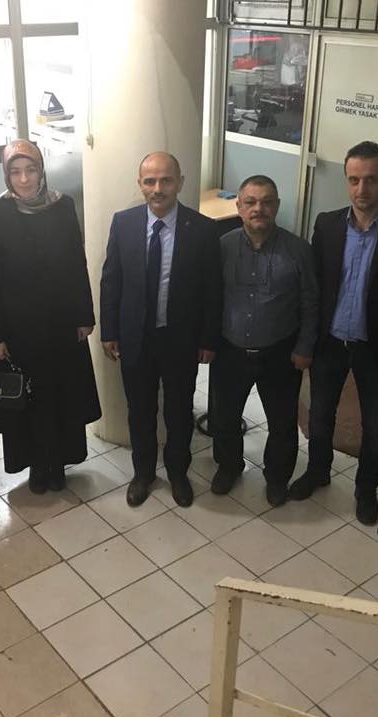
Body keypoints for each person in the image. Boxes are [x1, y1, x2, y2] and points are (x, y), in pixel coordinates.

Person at [290, 141, 378, 525]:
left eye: (371, 180)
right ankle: (318, 471)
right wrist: (307, 340)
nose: (361, 189)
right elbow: (314, 288)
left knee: (375, 427)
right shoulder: (327, 224)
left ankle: (366, 490)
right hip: (331, 342)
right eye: (353, 180)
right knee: (320, 416)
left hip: (374, 347)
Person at [0, 139, 101, 492]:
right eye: (15, 171)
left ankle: (58, 462)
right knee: (27, 399)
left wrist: (84, 315)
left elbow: (76, 262)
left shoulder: (62, 206)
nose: (24, 179)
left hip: (60, 323)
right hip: (18, 330)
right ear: (6, 174)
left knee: (61, 395)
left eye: (30, 170)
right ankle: (35, 466)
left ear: (41, 170)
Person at [100, 151, 222, 508]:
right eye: (150, 181)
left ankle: (178, 472)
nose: (158, 189)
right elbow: (111, 281)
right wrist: (109, 330)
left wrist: (208, 338)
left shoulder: (202, 229)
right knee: (139, 411)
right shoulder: (123, 223)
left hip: (180, 338)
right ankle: (143, 474)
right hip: (135, 338)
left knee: (179, 411)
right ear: (140, 184)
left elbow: (212, 289)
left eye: (166, 180)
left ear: (180, 182)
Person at [210, 175, 318, 507]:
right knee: (224, 417)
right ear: (239, 206)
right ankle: (229, 467)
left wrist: (305, 347)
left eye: (267, 201)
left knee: (282, 422)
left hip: (280, 353)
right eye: (251, 202)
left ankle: (277, 478)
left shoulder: (298, 249)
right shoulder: (222, 246)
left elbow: (311, 302)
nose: (259, 208)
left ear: (277, 206)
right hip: (230, 350)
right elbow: (209, 298)